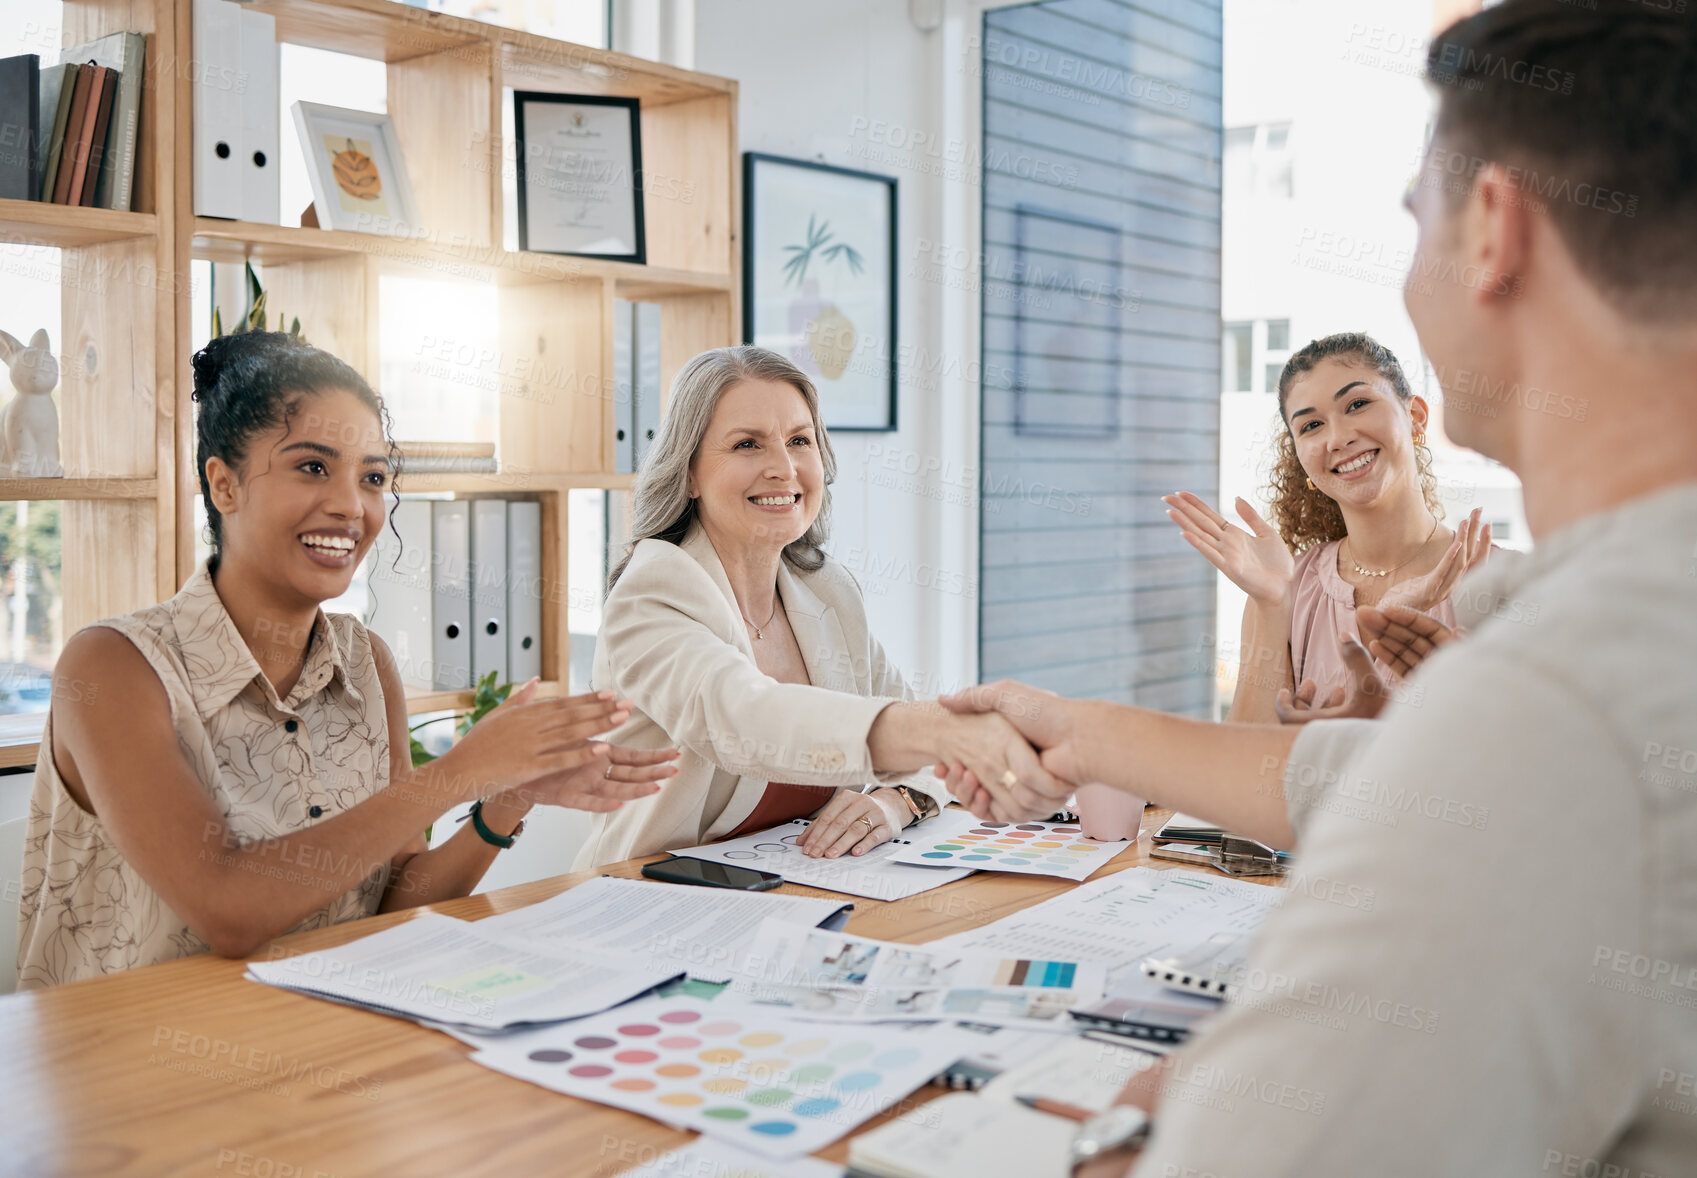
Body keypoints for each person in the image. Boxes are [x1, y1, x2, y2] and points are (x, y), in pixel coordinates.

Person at [940, 3, 1697, 1174]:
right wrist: (1088, 731)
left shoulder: (1559, 699)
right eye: (1307, 420)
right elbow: (1385, 781)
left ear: (1492, 226)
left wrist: (1142, 1118)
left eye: (1413, 224)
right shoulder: (1601, 632)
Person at [15, 333, 678, 989]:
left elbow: (393, 905)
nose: (350, 506)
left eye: (371, 478)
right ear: (224, 484)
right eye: (312, 467)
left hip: (319, 1047)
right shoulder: (112, 666)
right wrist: (457, 771)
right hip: (127, 1072)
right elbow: (228, 911)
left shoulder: (365, 661)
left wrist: (503, 800)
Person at [573, 345, 1060, 867]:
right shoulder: (653, 593)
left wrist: (898, 801)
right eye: (747, 445)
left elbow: (919, 746)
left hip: (801, 898)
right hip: (656, 905)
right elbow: (742, 721)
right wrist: (942, 731)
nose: (783, 468)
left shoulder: (826, 590)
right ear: (689, 473)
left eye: (799, 441)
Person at [1164, 332, 1490, 722]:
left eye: (1357, 404)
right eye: (1312, 425)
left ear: (1415, 415)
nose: (1338, 438)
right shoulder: (1285, 587)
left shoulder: (1499, 581)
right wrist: (1272, 604)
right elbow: (1245, 767)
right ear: (1300, 457)